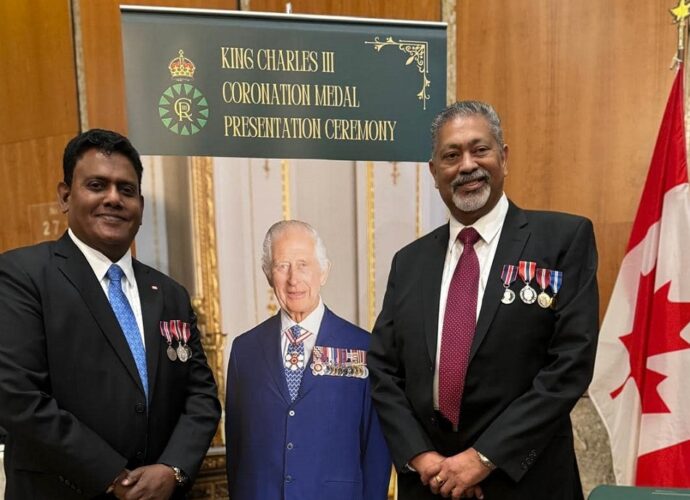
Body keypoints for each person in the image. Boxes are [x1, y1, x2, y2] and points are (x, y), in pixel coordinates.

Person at [368, 101, 599, 500]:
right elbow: (384, 370)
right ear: (434, 172)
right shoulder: (409, 263)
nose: (467, 165)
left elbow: (570, 365)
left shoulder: (562, 240)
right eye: (451, 156)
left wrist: (484, 458)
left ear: (503, 157)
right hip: (431, 484)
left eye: (480, 150)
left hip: (527, 483)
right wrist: (421, 456)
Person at [0, 129, 221, 499]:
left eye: (126, 189)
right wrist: (111, 475)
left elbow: (201, 395)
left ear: (140, 205)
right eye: (97, 185)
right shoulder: (23, 275)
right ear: (65, 196)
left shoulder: (170, 295)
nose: (114, 198)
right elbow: (17, 395)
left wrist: (173, 469)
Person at [225, 220, 391, 500]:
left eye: (303, 264)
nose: (293, 279)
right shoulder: (245, 350)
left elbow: (376, 451)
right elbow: (237, 451)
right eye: (282, 266)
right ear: (268, 275)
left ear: (323, 271)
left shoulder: (363, 348)